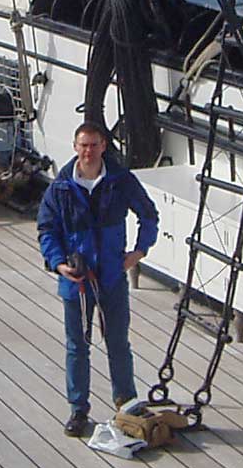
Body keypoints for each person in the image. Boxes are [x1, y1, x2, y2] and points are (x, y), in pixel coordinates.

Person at [36, 121, 159, 437]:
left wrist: (139, 252)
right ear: (75, 147)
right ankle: (79, 410)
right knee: (77, 345)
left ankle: (127, 402)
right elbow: (47, 229)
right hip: (76, 282)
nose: (88, 151)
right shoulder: (60, 188)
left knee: (118, 341)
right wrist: (58, 263)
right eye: (83, 145)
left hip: (112, 278)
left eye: (93, 145)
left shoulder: (121, 181)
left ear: (103, 146)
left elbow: (148, 215)